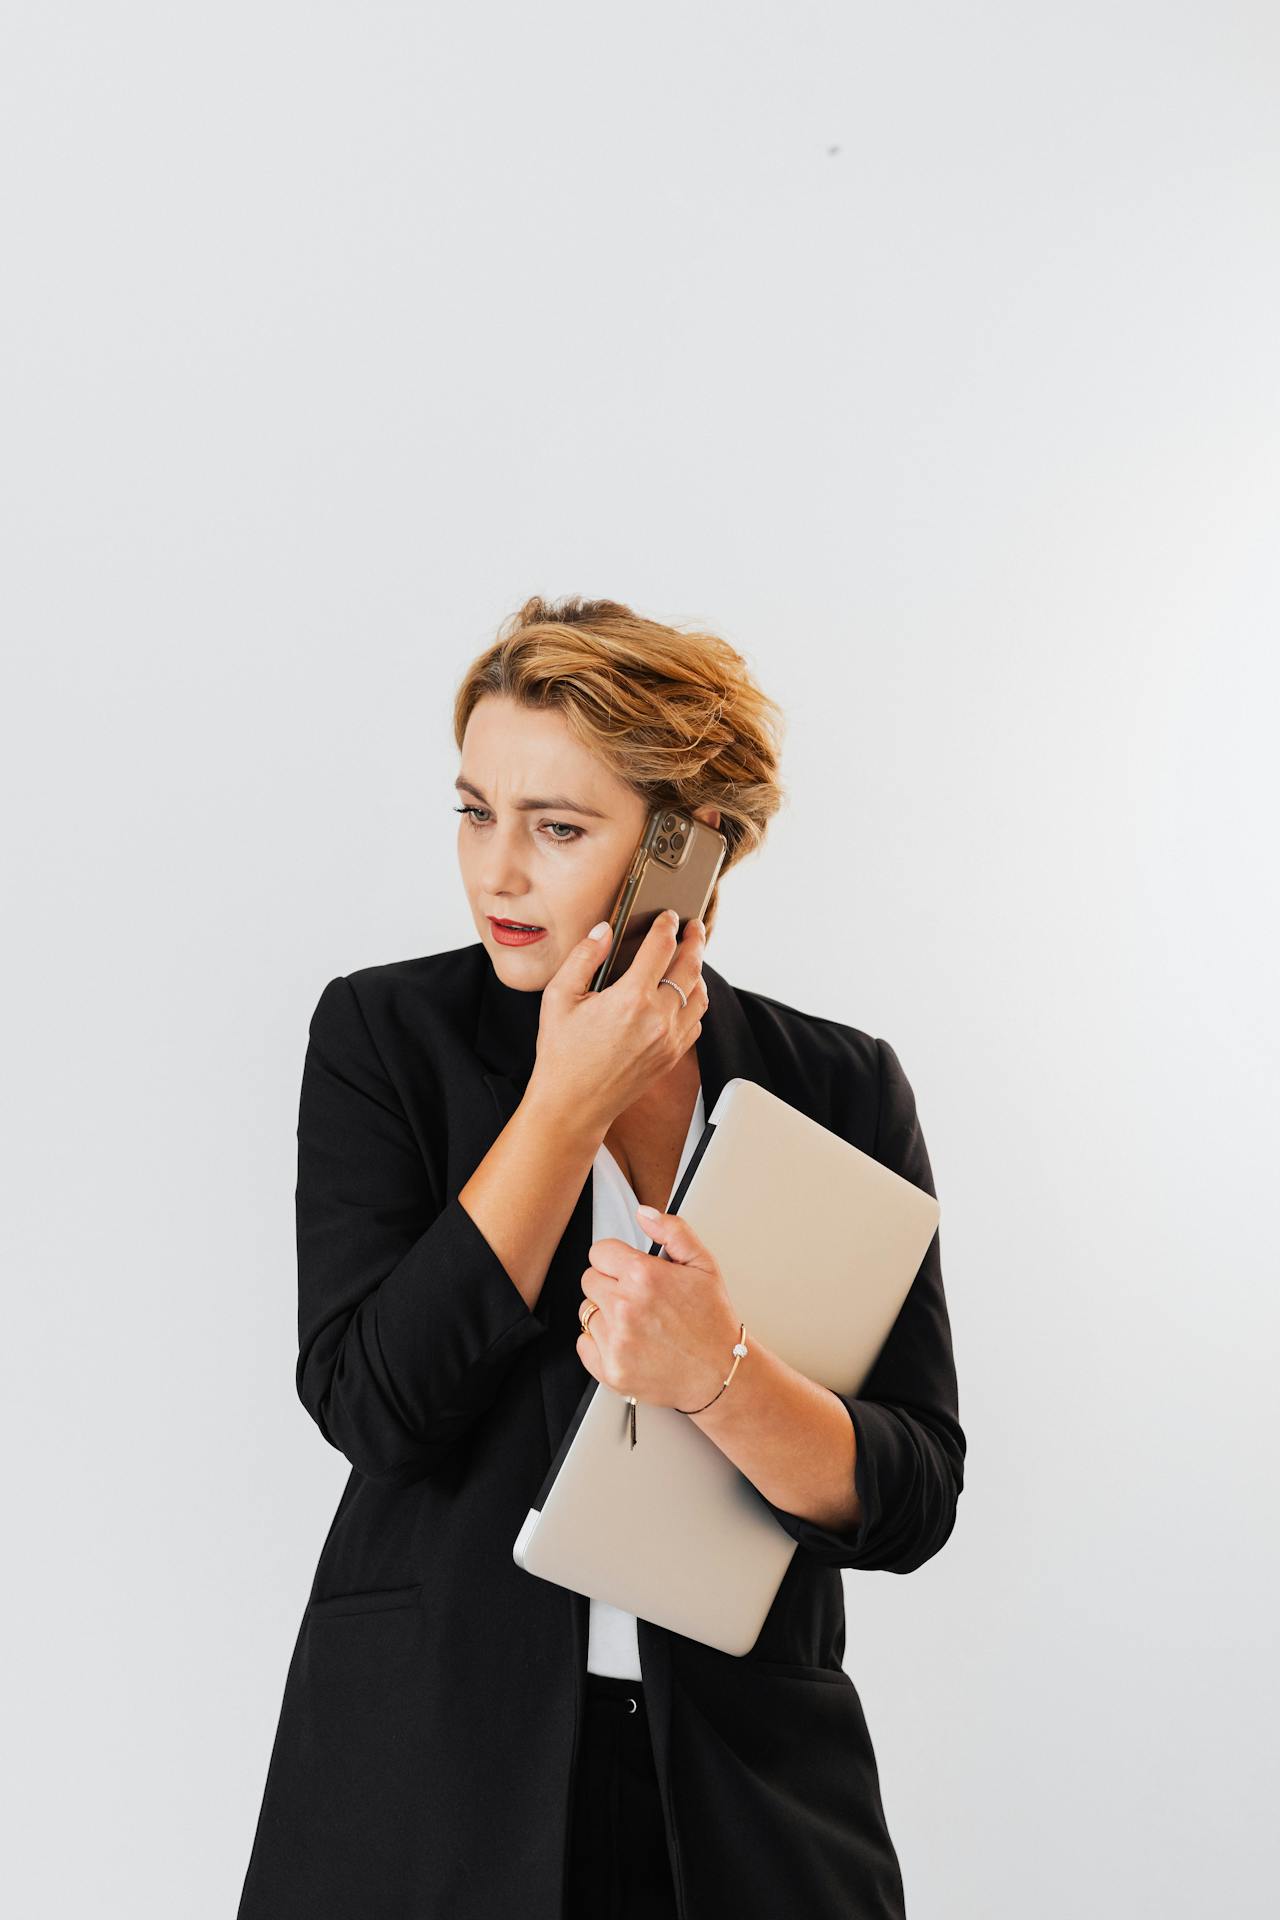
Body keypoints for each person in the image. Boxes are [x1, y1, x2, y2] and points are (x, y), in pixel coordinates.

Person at [236, 595, 966, 1920]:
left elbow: (912, 1491)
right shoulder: (384, 1039)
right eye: (474, 811)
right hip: (433, 1785)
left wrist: (721, 1377)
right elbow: (377, 1403)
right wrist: (564, 1103)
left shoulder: (842, 1087)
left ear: (687, 850)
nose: (496, 871)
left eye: (557, 828)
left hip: (744, 1807)